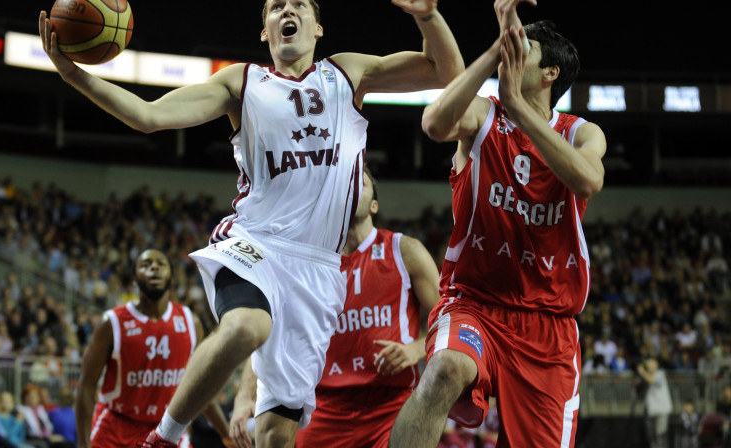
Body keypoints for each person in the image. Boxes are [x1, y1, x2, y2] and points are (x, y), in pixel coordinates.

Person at [39, 0, 463, 447]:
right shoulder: (242, 82)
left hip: (317, 269)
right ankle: (163, 438)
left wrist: (427, 16)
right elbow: (148, 116)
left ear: (318, 27)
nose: (287, 10)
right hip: (254, 242)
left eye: (298, 4)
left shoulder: (346, 73)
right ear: (265, 31)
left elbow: (444, 71)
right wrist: (73, 75)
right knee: (247, 326)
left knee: (278, 435)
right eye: (276, 6)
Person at [388, 0, 607, 446]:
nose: (511, 53)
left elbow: (587, 180)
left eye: (521, 49)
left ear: (550, 74)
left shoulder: (581, 132)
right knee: (446, 367)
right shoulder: (484, 115)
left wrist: (519, 107)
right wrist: (493, 51)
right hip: (475, 302)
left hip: (548, 324)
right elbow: (433, 122)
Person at [228, 167, 442, 448]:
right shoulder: (307, 259)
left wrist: (415, 350)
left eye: (361, 184)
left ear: (374, 205)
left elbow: (450, 320)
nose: (352, 188)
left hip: (391, 404)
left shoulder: (405, 250)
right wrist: (246, 396)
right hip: (322, 406)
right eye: (345, 184)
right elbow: (269, 331)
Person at [73, 249, 233, 447]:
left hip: (168, 428)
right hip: (116, 427)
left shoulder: (191, 322)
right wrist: (82, 444)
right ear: (134, 278)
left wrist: (226, 433)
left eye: (160, 264)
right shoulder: (111, 322)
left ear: (170, 276)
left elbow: (200, 385)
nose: (154, 267)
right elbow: (86, 385)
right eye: (146, 265)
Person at [637, 357, 673, 448]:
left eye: (651, 363)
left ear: (656, 364)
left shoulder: (660, 373)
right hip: (651, 411)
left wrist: (642, 372)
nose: (649, 365)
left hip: (661, 410)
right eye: (648, 364)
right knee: (651, 437)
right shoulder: (647, 376)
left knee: (660, 435)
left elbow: (654, 381)